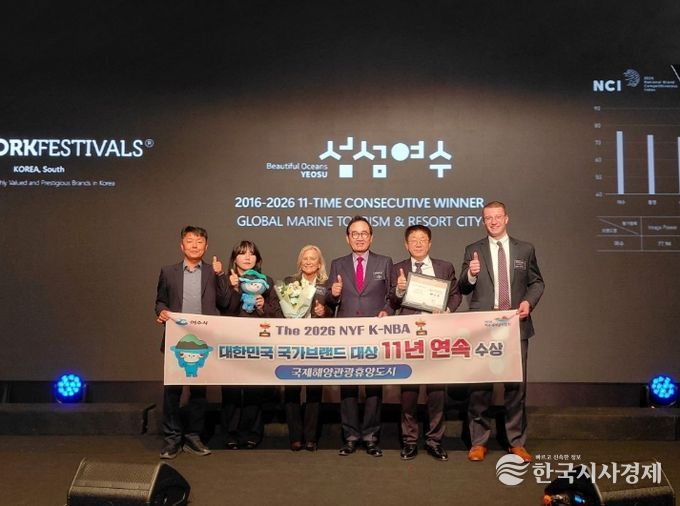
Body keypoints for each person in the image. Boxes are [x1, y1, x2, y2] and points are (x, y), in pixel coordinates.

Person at [459, 201, 544, 463]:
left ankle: (516, 442)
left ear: (506, 218)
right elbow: (463, 287)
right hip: (483, 328)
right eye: (488, 218)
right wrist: (471, 275)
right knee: (480, 387)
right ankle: (478, 442)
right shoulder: (473, 249)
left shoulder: (525, 249)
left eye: (497, 217)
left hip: (515, 325)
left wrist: (528, 302)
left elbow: (537, 282)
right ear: (483, 221)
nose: (493, 221)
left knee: (516, 387)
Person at [155, 225, 235, 459]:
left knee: (199, 392)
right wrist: (161, 312)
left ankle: (193, 436)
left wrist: (221, 276)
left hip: (203, 341)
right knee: (172, 392)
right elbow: (160, 301)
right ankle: (172, 439)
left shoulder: (212, 272)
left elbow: (225, 302)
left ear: (206, 246)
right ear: (182, 245)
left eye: (199, 242)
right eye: (190, 241)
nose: (195, 245)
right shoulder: (168, 272)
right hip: (176, 339)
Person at [389, 224, 462, 461]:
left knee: (437, 391)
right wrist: (399, 291)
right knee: (408, 392)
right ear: (406, 244)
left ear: (429, 243)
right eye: (413, 240)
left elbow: (456, 294)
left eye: (422, 239)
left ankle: (434, 441)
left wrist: (447, 310)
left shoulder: (444, 267)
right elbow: (391, 301)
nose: (418, 243)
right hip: (410, 335)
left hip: (437, 334)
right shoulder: (398, 268)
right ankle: (410, 441)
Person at [326, 215, 393, 457]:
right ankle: (351, 436)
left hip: (375, 332)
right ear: (348, 238)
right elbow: (330, 299)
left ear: (371, 237)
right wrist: (333, 294)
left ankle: (371, 437)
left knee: (374, 385)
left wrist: (388, 310)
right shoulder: (338, 264)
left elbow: (392, 295)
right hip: (347, 332)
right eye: (355, 233)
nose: (360, 237)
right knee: (348, 385)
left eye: (364, 233)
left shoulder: (384, 262)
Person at [221, 240, 283, 450]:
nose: (247, 257)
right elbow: (223, 308)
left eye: (251, 253)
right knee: (231, 390)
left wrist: (263, 307)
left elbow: (277, 314)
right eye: (242, 253)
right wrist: (234, 288)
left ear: (257, 258)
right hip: (231, 342)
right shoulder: (225, 280)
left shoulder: (266, 281)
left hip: (257, 343)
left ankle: (252, 433)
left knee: (254, 390)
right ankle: (230, 433)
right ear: (234, 258)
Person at [277, 245, 332, 452]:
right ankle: (295, 437)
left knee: (314, 390)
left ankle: (311, 437)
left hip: (317, 343)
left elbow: (335, 311)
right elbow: (278, 310)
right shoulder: (288, 282)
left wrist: (324, 311)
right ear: (300, 262)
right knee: (292, 390)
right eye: (305, 258)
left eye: (313, 259)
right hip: (292, 343)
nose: (309, 262)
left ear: (320, 263)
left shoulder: (326, 285)